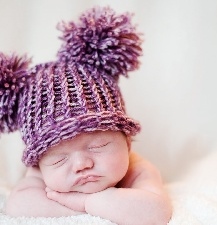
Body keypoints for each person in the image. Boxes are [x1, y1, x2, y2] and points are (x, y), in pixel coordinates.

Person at [2, 6, 172, 225]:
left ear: (127, 141)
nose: (81, 164)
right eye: (59, 159)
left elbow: (155, 213)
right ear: (38, 163)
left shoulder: (135, 168)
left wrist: (84, 203)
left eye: (98, 146)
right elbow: (19, 205)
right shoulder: (39, 172)